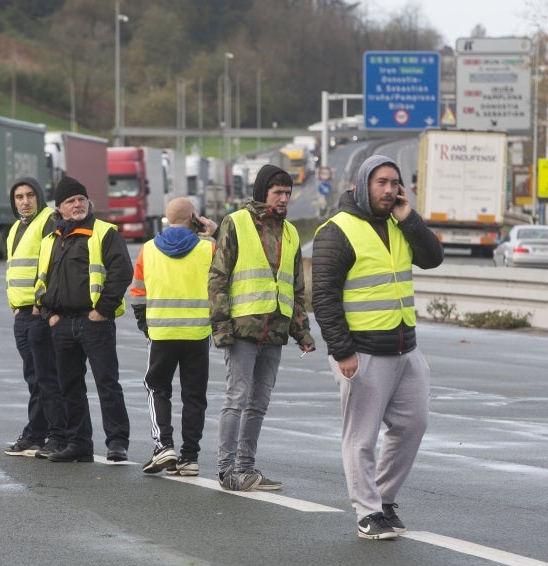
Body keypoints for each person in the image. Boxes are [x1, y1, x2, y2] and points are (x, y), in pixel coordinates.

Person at [311, 155, 444, 540]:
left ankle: (384, 499)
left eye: (394, 183)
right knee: (362, 437)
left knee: (413, 424)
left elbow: (433, 258)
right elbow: (324, 298)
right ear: (362, 184)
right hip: (362, 351)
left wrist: (410, 218)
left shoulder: (399, 224)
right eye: (381, 182)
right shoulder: (336, 231)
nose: (389, 190)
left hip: (405, 348)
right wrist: (342, 351)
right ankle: (367, 513)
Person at [209, 165, 315, 492]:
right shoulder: (236, 223)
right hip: (242, 330)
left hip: (275, 331)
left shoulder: (291, 233)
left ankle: (246, 468)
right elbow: (218, 279)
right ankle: (228, 471)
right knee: (237, 398)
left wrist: (303, 332)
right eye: (278, 193)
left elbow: (295, 290)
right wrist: (222, 328)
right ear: (262, 193)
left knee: (259, 403)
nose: (284, 198)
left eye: (287, 192)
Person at [34, 176, 134, 463]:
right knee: (69, 386)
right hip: (62, 323)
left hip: (95, 322)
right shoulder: (50, 240)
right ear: (59, 208)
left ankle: (117, 442)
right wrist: (49, 314)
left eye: (81, 199)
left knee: (107, 382)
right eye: (70, 201)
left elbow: (121, 272)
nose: (77, 204)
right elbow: (41, 280)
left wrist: (102, 309)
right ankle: (79, 443)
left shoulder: (104, 232)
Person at [130, 197, 218, 477]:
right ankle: (190, 457)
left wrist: (147, 328)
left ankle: (163, 446)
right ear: (194, 217)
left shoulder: (147, 250)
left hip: (162, 332)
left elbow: (138, 294)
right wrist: (213, 233)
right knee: (194, 395)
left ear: (167, 219)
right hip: (197, 332)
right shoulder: (210, 248)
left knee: (157, 387)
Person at [3, 176, 64, 458]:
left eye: (29, 195)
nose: (25, 202)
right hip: (22, 313)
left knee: (47, 378)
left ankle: (55, 435)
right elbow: (14, 269)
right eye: (19, 197)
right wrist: (15, 305)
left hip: (39, 313)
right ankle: (36, 433)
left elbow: (53, 265)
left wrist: (43, 304)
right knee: (34, 378)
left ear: (39, 196)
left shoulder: (48, 221)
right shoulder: (17, 226)